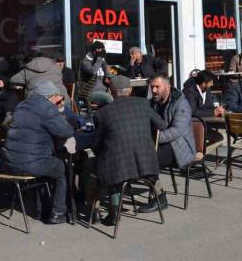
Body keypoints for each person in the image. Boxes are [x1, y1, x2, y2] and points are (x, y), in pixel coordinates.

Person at [91, 76, 166, 225]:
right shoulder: (143, 104)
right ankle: (160, 197)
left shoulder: (102, 113)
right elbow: (161, 125)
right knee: (117, 164)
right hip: (147, 163)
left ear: (110, 92)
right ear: (130, 90)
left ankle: (108, 211)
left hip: (119, 170)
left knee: (92, 168)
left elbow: (96, 145)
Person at [1, 81, 74, 224]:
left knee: (45, 164)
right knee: (61, 167)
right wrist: (60, 115)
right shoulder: (47, 108)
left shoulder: (22, 105)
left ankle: (43, 208)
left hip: (9, 162)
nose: (58, 101)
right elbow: (66, 131)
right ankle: (59, 212)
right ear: (50, 97)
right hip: (30, 164)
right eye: (57, 99)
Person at [142, 75, 197, 213]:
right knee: (139, 156)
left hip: (180, 147)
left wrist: (152, 139)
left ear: (167, 87)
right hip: (160, 143)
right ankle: (157, 193)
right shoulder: (153, 102)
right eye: (152, 87)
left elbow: (177, 131)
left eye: (157, 87)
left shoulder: (181, 103)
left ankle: (159, 198)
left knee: (147, 160)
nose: (153, 90)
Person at [183, 70, 225, 145]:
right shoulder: (190, 91)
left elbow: (210, 107)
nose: (212, 84)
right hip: (189, 127)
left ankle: (201, 151)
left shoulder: (206, 91)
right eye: (210, 82)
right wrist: (212, 112)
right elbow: (192, 112)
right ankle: (200, 152)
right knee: (218, 138)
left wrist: (217, 110)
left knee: (219, 137)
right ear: (203, 83)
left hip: (202, 125)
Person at [75, 41, 112, 107]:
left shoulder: (100, 60)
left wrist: (108, 76)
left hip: (103, 91)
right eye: (98, 50)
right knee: (108, 98)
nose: (100, 53)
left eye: (102, 51)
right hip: (90, 93)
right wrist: (100, 59)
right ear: (94, 51)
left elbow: (107, 74)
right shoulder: (86, 62)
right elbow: (93, 71)